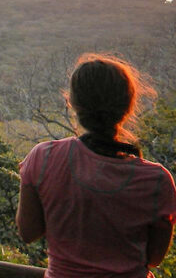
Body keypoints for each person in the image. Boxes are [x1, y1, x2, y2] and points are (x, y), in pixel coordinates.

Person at [16, 54, 176, 277]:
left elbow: (28, 232)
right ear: (129, 106)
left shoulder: (44, 157)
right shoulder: (157, 181)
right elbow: (154, 258)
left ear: (72, 103)